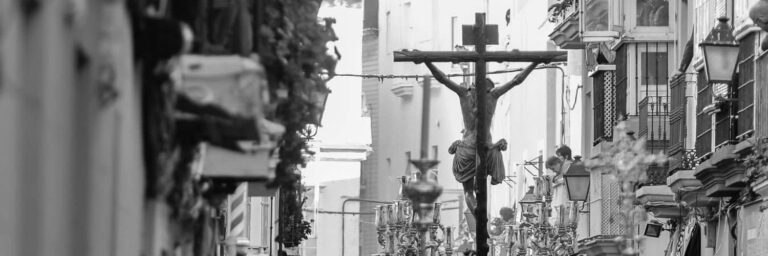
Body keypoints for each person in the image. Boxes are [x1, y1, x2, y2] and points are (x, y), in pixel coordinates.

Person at [428, 61, 541, 217]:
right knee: (481, 189)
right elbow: (517, 80)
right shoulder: (493, 95)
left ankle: (478, 215)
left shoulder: (463, 93)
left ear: (473, 86)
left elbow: (442, 78)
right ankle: (482, 217)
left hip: (466, 148)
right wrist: (536, 62)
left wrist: (428, 62)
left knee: (468, 192)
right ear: (488, 88)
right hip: (486, 149)